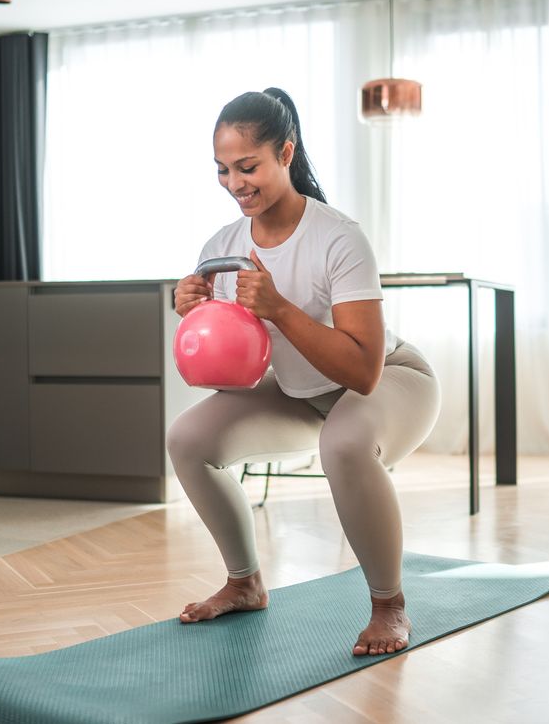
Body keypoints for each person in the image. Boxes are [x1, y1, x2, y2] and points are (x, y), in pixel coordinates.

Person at [167, 87, 440, 656]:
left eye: (248, 167)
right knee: (188, 438)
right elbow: (233, 377)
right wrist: (196, 317)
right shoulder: (222, 246)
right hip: (300, 390)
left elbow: (363, 373)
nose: (234, 183)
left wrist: (279, 309)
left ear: (286, 154)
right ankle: (244, 583)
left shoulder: (338, 236)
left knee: (343, 443)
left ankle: (389, 605)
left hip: (389, 378)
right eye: (222, 171)